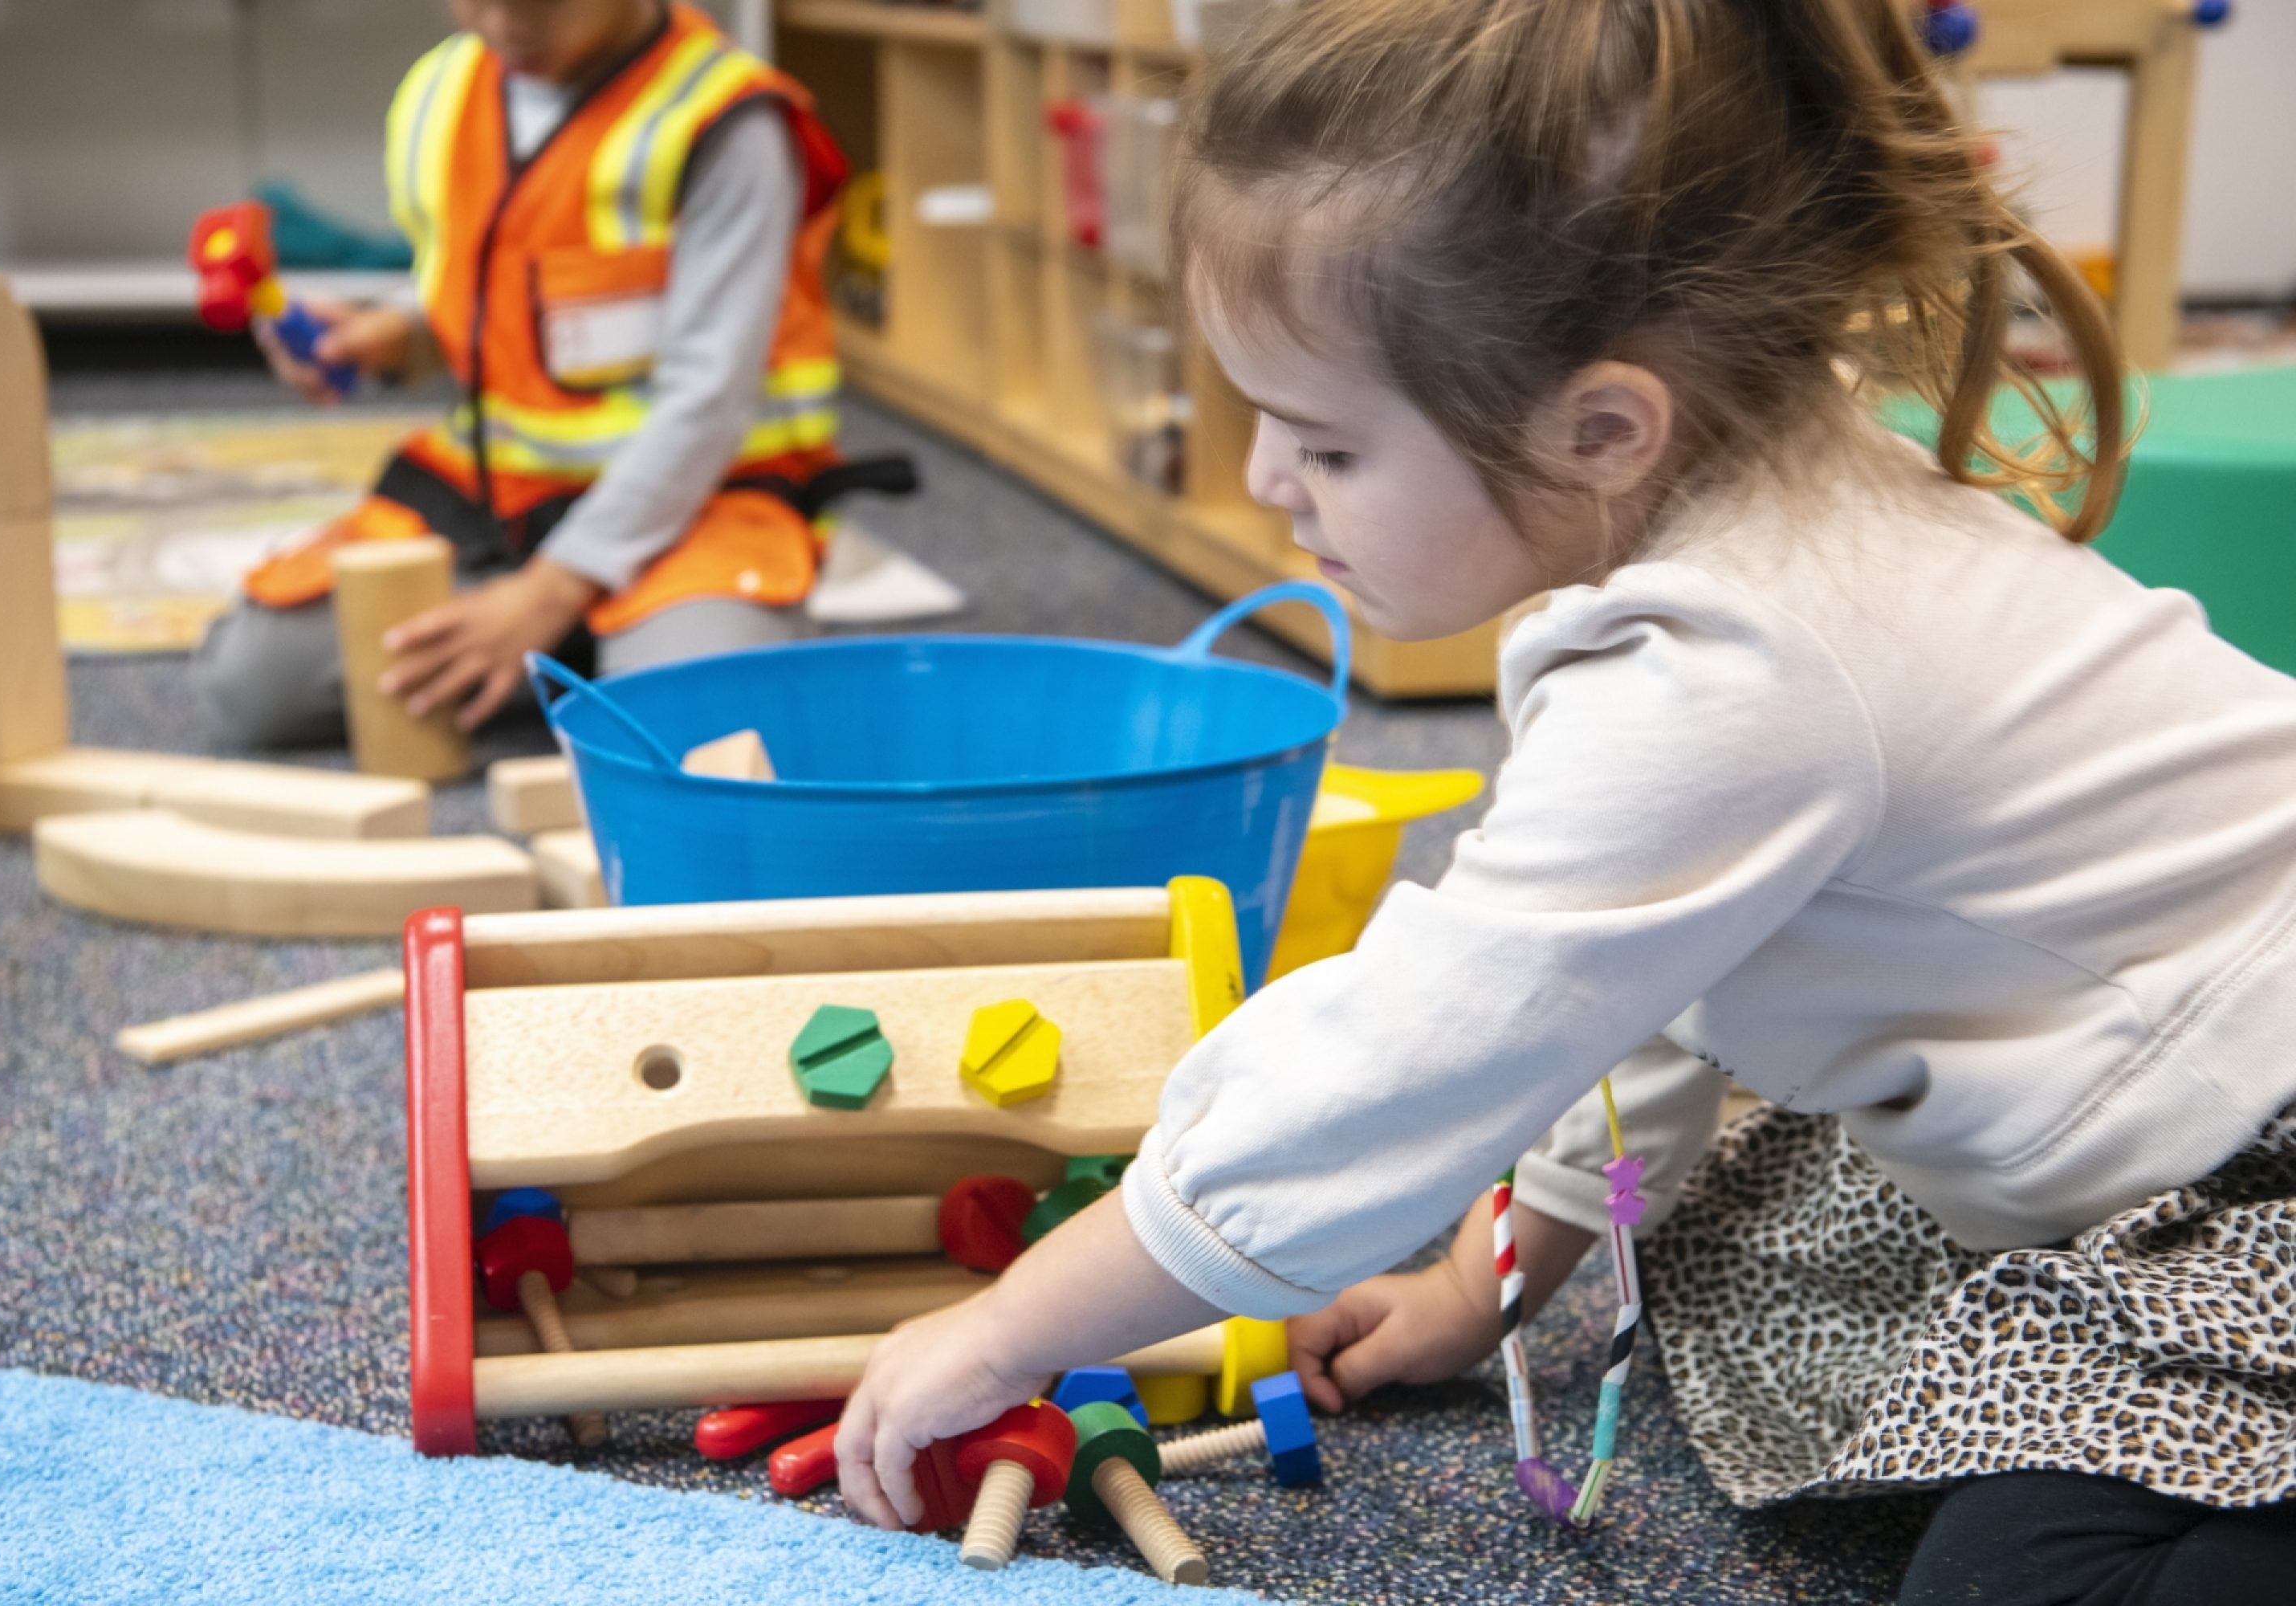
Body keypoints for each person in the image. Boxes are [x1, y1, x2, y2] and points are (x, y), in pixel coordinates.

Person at [833, 1, 2296, 1597]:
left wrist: (1014, 1324)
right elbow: (1649, 979)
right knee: (1767, 1268)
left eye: (1323, 443)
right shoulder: (1737, 523)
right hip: (2164, 1116)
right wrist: (1485, 1277)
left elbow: (1404, 1062)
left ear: (1600, 430)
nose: (1266, 482)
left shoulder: (1728, 677)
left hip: (2253, 1173)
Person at [192, 0, 846, 743]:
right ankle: (583, 649)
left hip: (696, 510)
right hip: (503, 502)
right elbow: (491, 283)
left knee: (688, 742)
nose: (502, 26)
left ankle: (614, 634)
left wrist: (549, 591)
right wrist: (396, 331)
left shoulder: (727, 122)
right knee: (247, 690)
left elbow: (709, 397)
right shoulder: (445, 90)